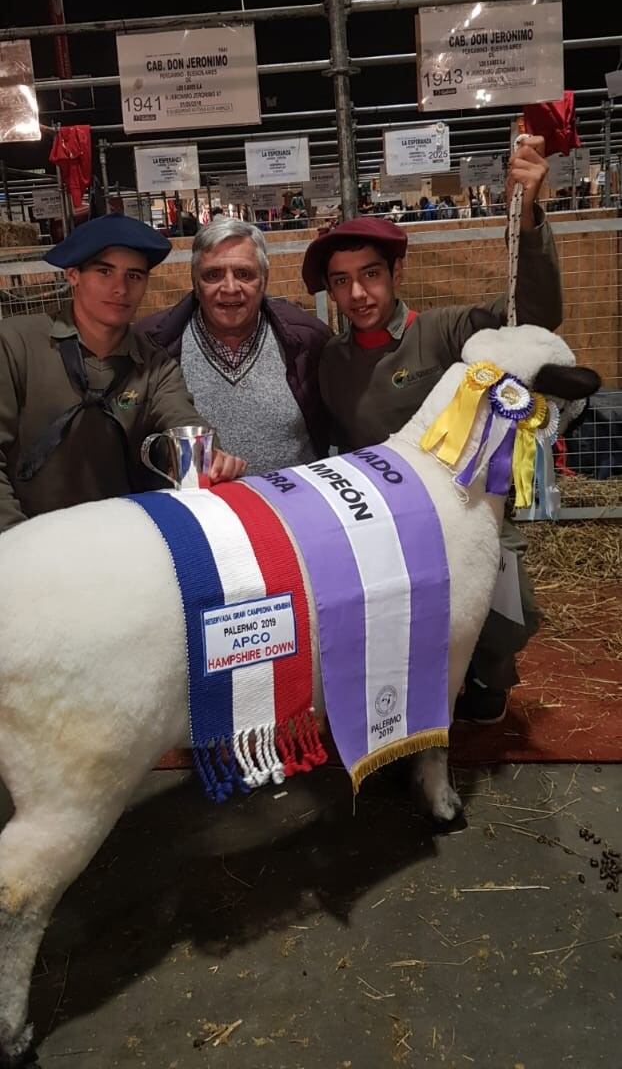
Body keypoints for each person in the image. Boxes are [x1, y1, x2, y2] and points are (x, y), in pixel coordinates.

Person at [301, 137, 562, 724]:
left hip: (466, 514)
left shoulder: (446, 332)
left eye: (370, 274)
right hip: (386, 522)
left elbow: (534, 316)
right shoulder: (332, 360)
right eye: (341, 282)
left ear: (396, 270)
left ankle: (488, 672)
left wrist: (530, 214)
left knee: (511, 613)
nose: (358, 293)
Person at [0, 215, 245, 536]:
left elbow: (181, 418)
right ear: (73, 275)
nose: (120, 288)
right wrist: (14, 541)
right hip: (28, 541)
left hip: (126, 543)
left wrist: (207, 455)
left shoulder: (154, 364)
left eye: (134, 275)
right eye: (104, 272)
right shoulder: (16, 344)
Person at [138, 218, 332, 476]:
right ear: (195, 282)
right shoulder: (152, 344)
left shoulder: (308, 339)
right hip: (200, 512)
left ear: (264, 279)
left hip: (292, 509)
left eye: (244, 274)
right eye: (213, 275)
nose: (230, 288)